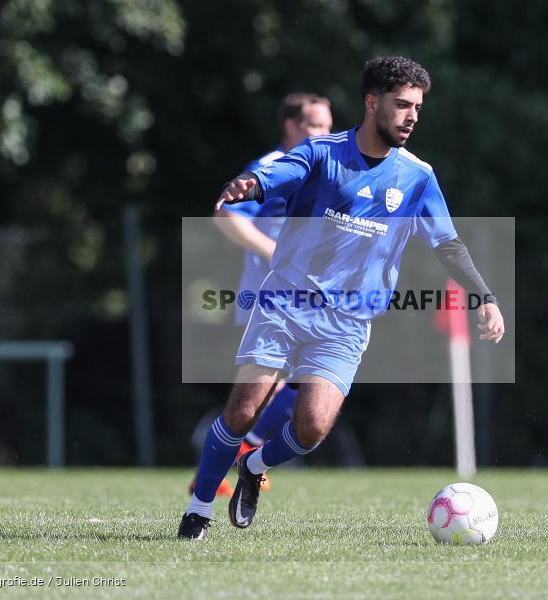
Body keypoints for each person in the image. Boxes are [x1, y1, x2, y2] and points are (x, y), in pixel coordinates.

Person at [179, 56, 505, 541]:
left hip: (349, 321)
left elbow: (447, 243)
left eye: (418, 106)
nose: (412, 115)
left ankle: (254, 466)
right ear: (372, 103)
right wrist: (252, 184)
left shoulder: (418, 177)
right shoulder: (321, 153)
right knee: (242, 411)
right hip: (285, 304)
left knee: (311, 428)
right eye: (402, 105)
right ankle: (197, 513)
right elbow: (276, 175)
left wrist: (485, 296)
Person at [191, 93, 333, 498]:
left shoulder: (322, 170)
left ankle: (239, 461)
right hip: (271, 304)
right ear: (290, 127)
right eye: (314, 126)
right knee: (264, 398)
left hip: (312, 304)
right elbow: (225, 213)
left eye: (327, 126)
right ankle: (221, 473)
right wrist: (273, 251)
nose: (323, 134)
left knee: (300, 394)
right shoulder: (271, 168)